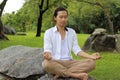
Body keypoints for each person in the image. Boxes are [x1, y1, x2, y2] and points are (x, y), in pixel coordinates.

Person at [42, 7, 101, 80]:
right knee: (46, 64)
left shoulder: (72, 32)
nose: (63, 19)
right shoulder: (49, 32)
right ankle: (74, 75)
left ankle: (60, 74)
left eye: (65, 17)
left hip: (70, 63)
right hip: (56, 62)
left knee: (92, 63)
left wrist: (91, 56)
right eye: (61, 17)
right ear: (55, 18)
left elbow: (77, 50)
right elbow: (47, 49)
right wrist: (47, 55)